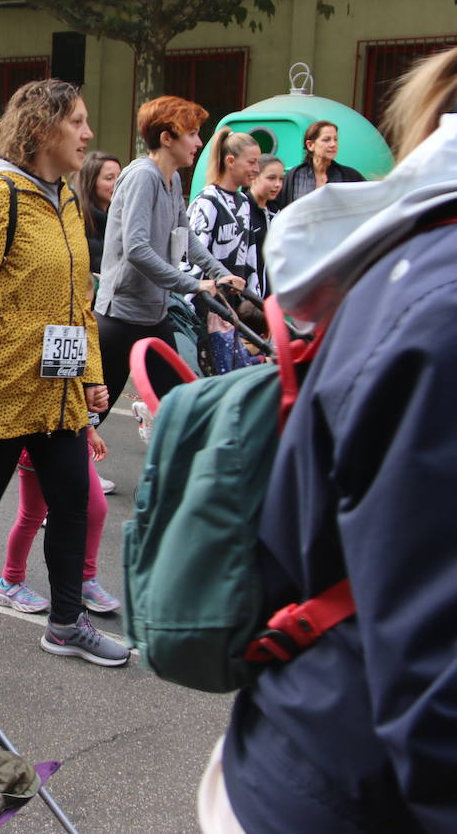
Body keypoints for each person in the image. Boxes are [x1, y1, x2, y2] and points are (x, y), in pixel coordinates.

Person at [203, 46, 457, 834]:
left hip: (313, 739)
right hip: (338, 781)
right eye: (259, 161)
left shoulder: (408, 258)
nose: (271, 171)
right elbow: (432, 669)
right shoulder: (440, 300)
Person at [0, 78, 128, 667]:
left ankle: (67, 622)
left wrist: (90, 374)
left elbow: (76, 300)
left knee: (74, 502)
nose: (88, 134)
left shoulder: (65, 198)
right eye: (78, 122)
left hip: (56, 389)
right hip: (1, 385)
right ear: (41, 129)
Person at [94, 96, 244, 411]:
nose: (199, 142)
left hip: (154, 316)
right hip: (120, 317)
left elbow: (185, 236)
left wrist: (218, 273)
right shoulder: (142, 176)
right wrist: (194, 284)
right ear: (166, 138)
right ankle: (44, 459)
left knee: (177, 407)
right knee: (90, 414)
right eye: (191, 134)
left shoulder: (172, 178)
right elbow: (136, 249)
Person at [0, 426, 120, 615]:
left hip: (73, 435)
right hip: (39, 438)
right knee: (32, 516)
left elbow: (76, 396)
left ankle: (84, 580)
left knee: (96, 509)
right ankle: (10, 582)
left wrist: (90, 428)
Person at [188, 128, 261, 287]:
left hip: (233, 299)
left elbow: (250, 256)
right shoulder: (209, 200)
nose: (256, 169)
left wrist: (251, 296)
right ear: (230, 161)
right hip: (209, 301)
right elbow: (195, 255)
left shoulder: (244, 201)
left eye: (258, 162)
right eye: (251, 162)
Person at [276, 119, 365, 208]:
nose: (333, 144)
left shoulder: (349, 176)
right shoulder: (294, 176)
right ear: (310, 145)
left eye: (336, 139)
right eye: (326, 140)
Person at [71, 150, 121, 276]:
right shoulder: (77, 219)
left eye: (120, 178)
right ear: (91, 182)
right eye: (109, 178)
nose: (118, 184)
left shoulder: (121, 217)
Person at [244, 154, 284, 297]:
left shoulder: (278, 215)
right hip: (246, 302)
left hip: (271, 302)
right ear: (253, 177)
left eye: (281, 179)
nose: (278, 184)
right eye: (271, 178)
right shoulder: (242, 210)